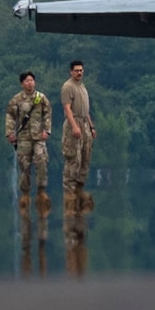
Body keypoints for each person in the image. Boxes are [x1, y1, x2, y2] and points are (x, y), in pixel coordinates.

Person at [5, 70, 52, 270]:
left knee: (41, 161)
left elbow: (48, 113)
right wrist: (9, 133)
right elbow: (9, 116)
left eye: (32, 80)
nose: (30, 83)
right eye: (27, 80)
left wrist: (47, 130)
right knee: (24, 167)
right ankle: (25, 194)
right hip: (23, 138)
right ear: (22, 83)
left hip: (38, 138)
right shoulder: (15, 100)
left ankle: (42, 190)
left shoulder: (41, 98)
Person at [60, 60, 95, 212]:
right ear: (71, 72)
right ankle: (69, 197)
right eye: (76, 70)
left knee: (85, 159)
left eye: (81, 70)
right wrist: (74, 126)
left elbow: (86, 110)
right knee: (74, 160)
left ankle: (79, 193)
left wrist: (91, 126)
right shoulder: (68, 87)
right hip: (73, 124)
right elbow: (67, 109)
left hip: (85, 124)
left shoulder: (82, 87)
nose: (79, 73)